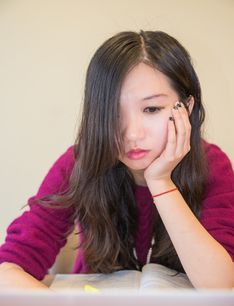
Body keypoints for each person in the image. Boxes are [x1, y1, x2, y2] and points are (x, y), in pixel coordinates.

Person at [0, 30, 234, 290]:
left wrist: (160, 181)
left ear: (186, 108)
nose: (132, 134)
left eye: (151, 109)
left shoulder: (212, 164)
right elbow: (9, 269)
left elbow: (220, 285)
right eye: (113, 113)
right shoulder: (79, 162)